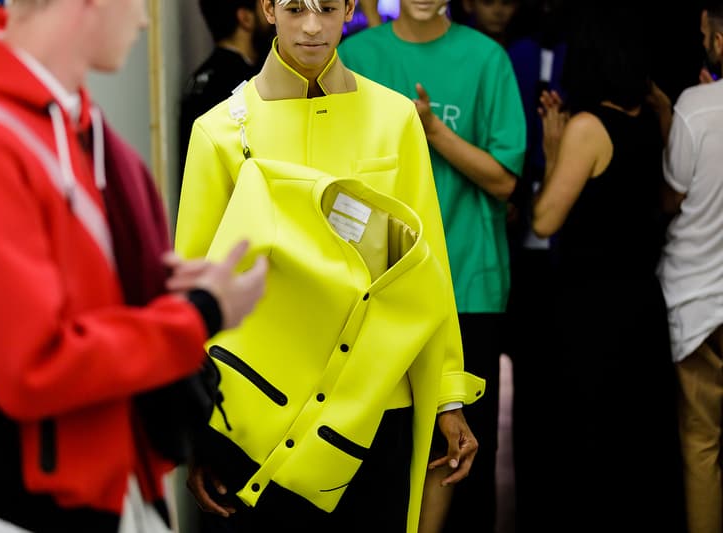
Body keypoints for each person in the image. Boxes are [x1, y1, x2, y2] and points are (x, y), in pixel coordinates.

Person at [0, 0, 268, 532]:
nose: (144, 21)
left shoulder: (60, 120)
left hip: (92, 486)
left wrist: (162, 295)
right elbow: (31, 366)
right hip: (10, 502)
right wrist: (196, 315)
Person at [176, 1, 485, 532]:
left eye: (327, 6)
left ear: (349, 7)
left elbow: (425, 266)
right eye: (295, 8)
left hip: (376, 399)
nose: (313, 26)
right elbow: (196, 292)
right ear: (268, 9)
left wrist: (447, 395)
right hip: (257, 408)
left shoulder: (394, 120)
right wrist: (200, 428)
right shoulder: (220, 132)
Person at [337, 2, 526, 532]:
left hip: (468, 284)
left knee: (463, 459)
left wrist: (432, 131)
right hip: (376, 291)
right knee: (381, 453)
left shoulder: (486, 58)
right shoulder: (354, 56)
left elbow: (505, 180)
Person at [533, 3, 686, 531]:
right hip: (643, 302)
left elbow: (546, 220)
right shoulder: (652, 118)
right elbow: (669, 202)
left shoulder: (588, 127)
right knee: (639, 443)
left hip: (590, 310)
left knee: (590, 441)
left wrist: (553, 150)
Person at [658, 2, 723, 532]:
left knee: (701, 446)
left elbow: (670, 197)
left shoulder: (697, 106)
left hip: (699, 300)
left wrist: (669, 117)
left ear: (719, 42)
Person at [178, 0, 274, 195]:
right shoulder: (248, 85)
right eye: (264, 7)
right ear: (245, 18)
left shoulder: (199, 78)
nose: (271, 17)